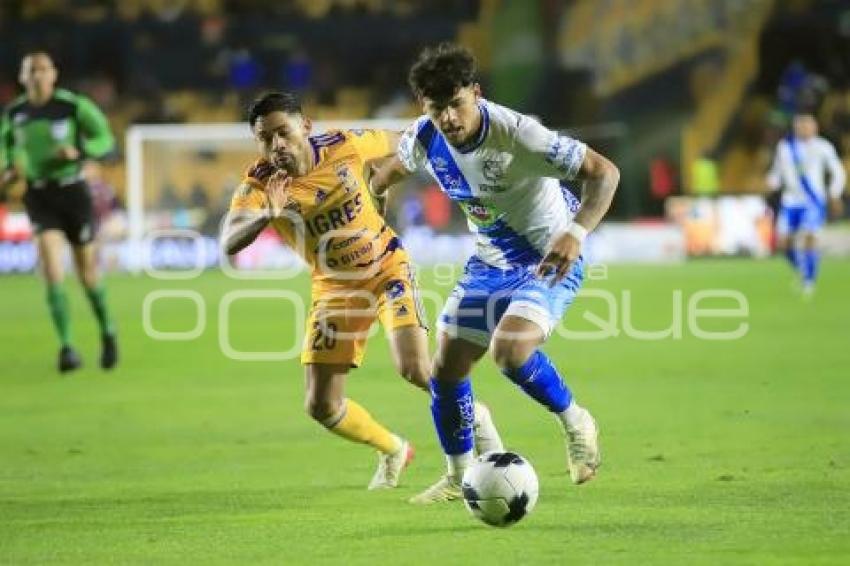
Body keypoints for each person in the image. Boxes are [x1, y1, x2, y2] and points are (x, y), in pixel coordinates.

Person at [369, 43, 620, 503]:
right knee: (445, 370)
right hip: (489, 262)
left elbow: (605, 173)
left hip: (549, 255)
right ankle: (459, 474)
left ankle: (575, 421)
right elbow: (385, 174)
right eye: (436, 108)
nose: (448, 119)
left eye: (456, 105)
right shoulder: (425, 136)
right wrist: (377, 199)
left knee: (510, 352)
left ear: (476, 94)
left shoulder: (520, 133)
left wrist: (576, 234)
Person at [220, 91, 503, 490]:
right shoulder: (261, 183)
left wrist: (384, 183)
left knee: (416, 369)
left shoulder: (345, 144)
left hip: (387, 267)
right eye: (265, 138)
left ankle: (479, 429)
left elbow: (406, 141)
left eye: (283, 132)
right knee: (321, 405)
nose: (276, 145)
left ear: (305, 126)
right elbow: (230, 241)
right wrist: (268, 212)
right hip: (335, 289)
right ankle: (393, 449)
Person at [0, 52, 117, 373]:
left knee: (87, 275)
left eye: (43, 69)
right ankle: (67, 347)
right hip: (39, 194)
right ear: (23, 77)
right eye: (31, 70)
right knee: (51, 271)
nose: (37, 75)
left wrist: (79, 152)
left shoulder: (73, 105)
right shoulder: (15, 113)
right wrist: (8, 168)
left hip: (73, 193)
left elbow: (104, 138)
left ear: (54, 74)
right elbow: (5, 146)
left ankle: (107, 330)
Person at [767, 112, 845, 298]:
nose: (803, 128)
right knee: (783, 244)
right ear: (795, 127)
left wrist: (834, 194)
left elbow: (838, 172)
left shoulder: (822, 147)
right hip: (790, 201)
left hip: (813, 201)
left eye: (807, 124)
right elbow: (777, 173)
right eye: (800, 124)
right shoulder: (785, 147)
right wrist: (770, 182)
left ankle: (809, 282)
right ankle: (803, 269)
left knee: (810, 238)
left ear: (815, 127)